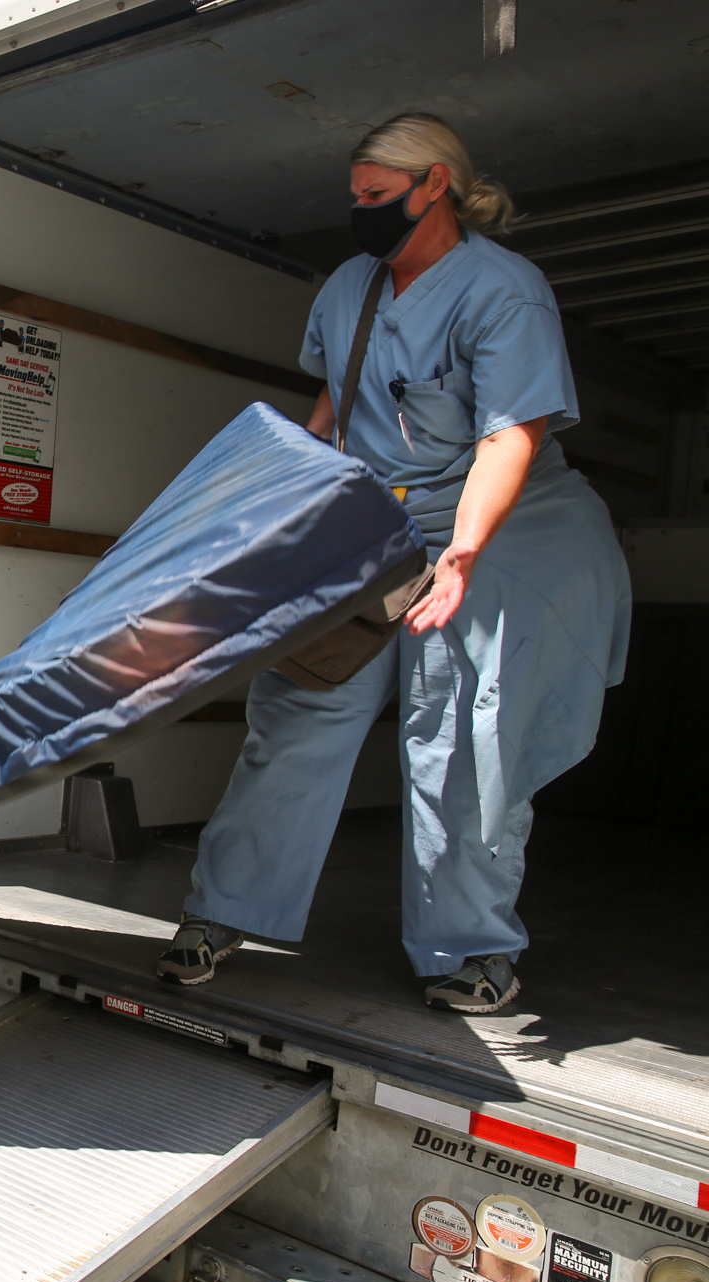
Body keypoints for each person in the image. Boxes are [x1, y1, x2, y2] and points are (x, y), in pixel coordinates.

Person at [157, 113, 629, 1015]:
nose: (361, 213)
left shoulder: (504, 290)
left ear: (436, 184)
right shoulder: (349, 288)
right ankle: (219, 912)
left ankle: (474, 948)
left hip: (499, 521)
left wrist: (462, 556)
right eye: (355, 198)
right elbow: (335, 403)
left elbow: (511, 434)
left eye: (376, 197)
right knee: (300, 705)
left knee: (458, 737)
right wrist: (285, 499)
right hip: (382, 521)